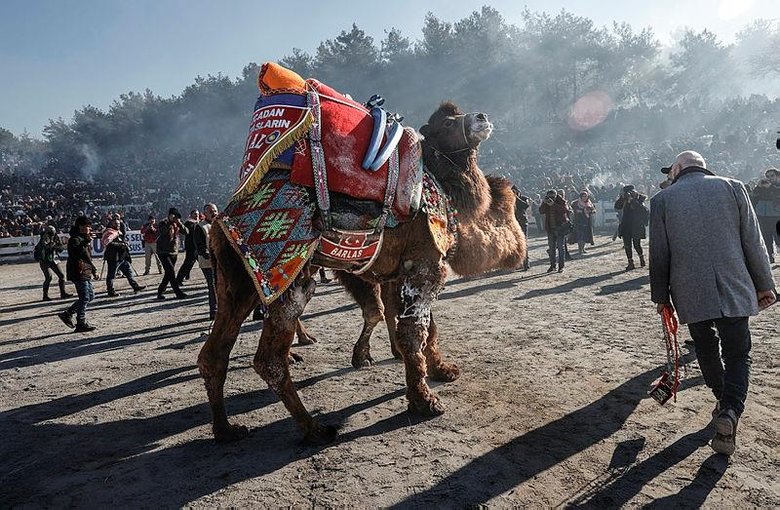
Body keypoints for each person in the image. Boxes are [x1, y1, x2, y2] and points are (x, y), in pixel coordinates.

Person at [650, 150, 777, 456]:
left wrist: (661, 297)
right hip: (735, 285)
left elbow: (659, 254)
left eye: (671, 172)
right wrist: (765, 285)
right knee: (737, 354)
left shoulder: (662, 200)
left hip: (690, 292)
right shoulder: (734, 186)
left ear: (679, 168)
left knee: (706, 348)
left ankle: (722, 400)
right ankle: (730, 411)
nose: (669, 177)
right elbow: (753, 241)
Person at [58, 216, 99, 333]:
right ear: (80, 227)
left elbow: (87, 257)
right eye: (87, 226)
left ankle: (68, 314)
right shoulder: (74, 239)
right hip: (78, 271)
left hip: (85, 270)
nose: (89, 228)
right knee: (85, 297)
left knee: (90, 296)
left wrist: (93, 269)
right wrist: (86, 241)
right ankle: (80, 322)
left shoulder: (82, 238)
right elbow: (75, 254)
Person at [102, 219, 145, 297]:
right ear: (111, 224)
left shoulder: (119, 232)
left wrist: (124, 244)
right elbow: (107, 242)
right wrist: (121, 245)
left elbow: (119, 242)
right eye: (116, 224)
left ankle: (135, 287)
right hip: (113, 258)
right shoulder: (109, 232)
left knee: (129, 273)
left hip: (122, 257)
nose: (118, 225)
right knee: (111, 275)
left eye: (118, 224)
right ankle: (110, 291)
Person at [156, 207, 189, 300]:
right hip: (163, 251)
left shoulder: (177, 223)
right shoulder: (163, 222)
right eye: (174, 216)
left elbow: (186, 231)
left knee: (168, 273)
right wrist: (170, 222)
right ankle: (178, 292)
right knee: (171, 272)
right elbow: (163, 232)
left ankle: (160, 291)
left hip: (174, 251)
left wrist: (179, 223)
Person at [614, 185, 649, 270]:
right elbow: (617, 206)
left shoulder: (640, 199)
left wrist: (632, 200)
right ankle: (630, 262)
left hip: (636, 225)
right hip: (626, 224)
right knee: (627, 245)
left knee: (637, 244)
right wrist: (622, 198)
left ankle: (641, 259)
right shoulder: (624, 199)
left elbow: (643, 210)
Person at [35, 226, 73, 301]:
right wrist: (52, 246)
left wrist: (57, 246)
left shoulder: (55, 237)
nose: (53, 234)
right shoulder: (43, 239)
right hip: (45, 261)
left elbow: (59, 249)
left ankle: (63, 293)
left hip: (53, 259)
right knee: (48, 277)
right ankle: (45, 296)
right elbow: (45, 249)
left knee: (61, 275)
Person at [750, 169, 780, 263]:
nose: (770, 178)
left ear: (777, 176)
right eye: (767, 176)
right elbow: (753, 197)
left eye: (772, 176)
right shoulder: (762, 187)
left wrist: (771, 188)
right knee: (766, 237)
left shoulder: (776, 187)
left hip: (776, 216)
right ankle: (770, 258)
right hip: (763, 215)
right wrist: (758, 187)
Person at [195, 203, 218, 320]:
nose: (214, 213)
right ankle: (213, 311)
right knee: (212, 286)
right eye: (211, 211)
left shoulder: (220, 224)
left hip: (219, 261)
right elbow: (200, 247)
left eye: (215, 211)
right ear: (205, 214)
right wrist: (209, 256)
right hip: (208, 263)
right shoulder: (200, 227)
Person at [539, 189, 569, 273]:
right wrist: (544, 203)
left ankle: (561, 266)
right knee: (552, 249)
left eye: (553, 196)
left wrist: (553, 205)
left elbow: (565, 210)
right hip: (550, 228)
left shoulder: (561, 201)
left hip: (560, 228)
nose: (551, 198)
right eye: (549, 196)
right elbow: (541, 211)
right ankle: (552, 266)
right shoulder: (546, 202)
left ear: (556, 195)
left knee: (560, 248)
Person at [176, 209, 200, 285]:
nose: (197, 216)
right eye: (195, 214)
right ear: (191, 215)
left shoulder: (199, 222)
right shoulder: (188, 223)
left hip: (198, 247)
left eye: (197, 214)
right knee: (188, 263)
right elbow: (188, 232)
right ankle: (179, 279)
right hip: (191, 247)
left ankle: (210, 278)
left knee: (204, 263)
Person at [570, 190, 596, 255]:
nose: (584, 197)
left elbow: (593, 210)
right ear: (581, 197)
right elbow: (572, 210)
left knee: (585, 235)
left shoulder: (589, 203)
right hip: (578, 221)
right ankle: (580, 250)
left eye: (586, 196)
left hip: (587, 221)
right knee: (580, 236)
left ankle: (583, 248)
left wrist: (590, 211)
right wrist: (577, 211)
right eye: (583, 196)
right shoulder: (576, 203)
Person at [512, 185, 531, 270]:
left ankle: (526, 263)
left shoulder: (524, 198)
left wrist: (517, 198)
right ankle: (518, 263)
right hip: (514, 224)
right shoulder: (510, 200)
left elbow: (525, 206)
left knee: (524, 243)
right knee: (515, 244)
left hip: (523, 223)